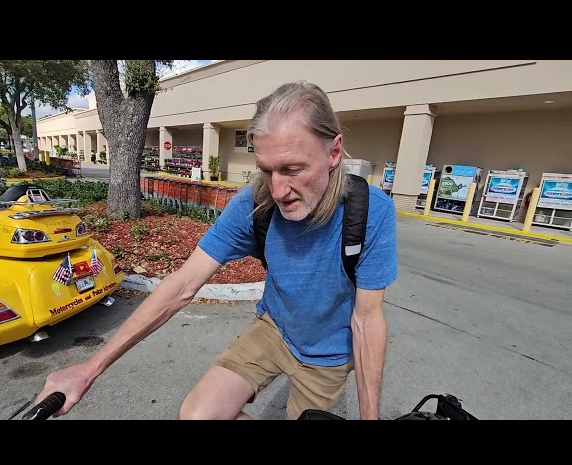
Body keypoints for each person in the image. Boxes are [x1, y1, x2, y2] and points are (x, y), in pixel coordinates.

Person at [34, 81, 398, 420]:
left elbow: (366, 321)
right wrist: (90, 367)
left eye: (292, 169)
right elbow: (183, 284)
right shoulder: (255, 205)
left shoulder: (369, 214)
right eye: (267, 170)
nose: (278, 190)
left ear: (334, 152)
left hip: (328, 356)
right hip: (273, 329)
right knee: (196, 415)